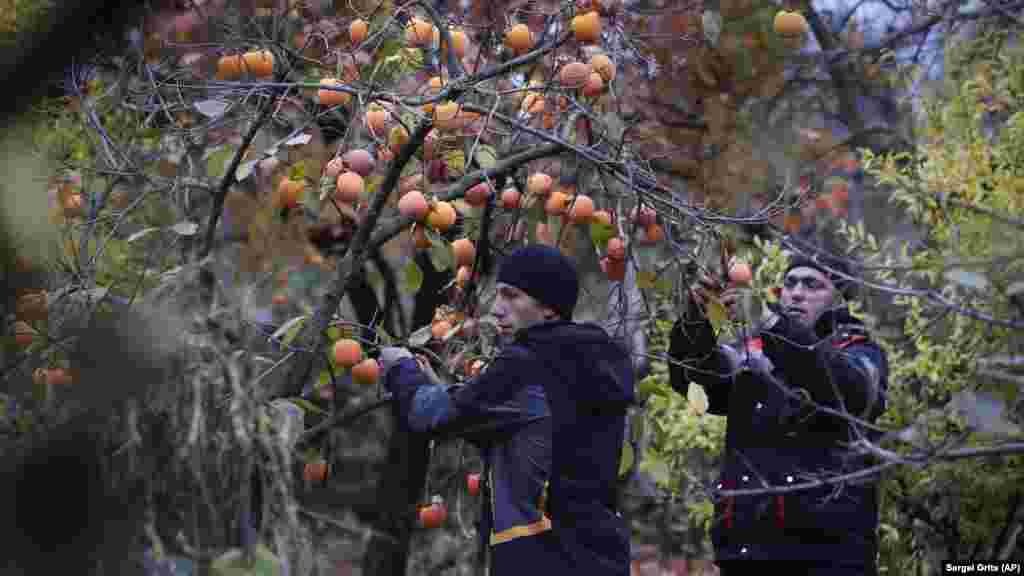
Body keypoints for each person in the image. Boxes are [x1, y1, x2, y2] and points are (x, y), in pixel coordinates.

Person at [378, 243, 642, 575]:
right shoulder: (590, 362)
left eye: (512, 296)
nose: (497, 310)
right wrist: (452, 394)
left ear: (548, 307)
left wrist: (401, 370)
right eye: (499, 296)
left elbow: (430, 415)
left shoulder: (526, 363)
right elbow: (534, 435)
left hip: (542, 558)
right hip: (598, 555)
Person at [667, 250, 888, 575]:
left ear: (839, 299)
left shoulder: (861, 354)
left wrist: (768, 321)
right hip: (747, 555)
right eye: (790, 283)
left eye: (813, 285)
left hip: (830, 557)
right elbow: (696, 382)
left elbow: (844, 386)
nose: (797, 292)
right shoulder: (753, 352)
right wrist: (695, 318)